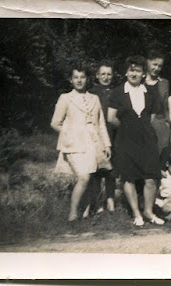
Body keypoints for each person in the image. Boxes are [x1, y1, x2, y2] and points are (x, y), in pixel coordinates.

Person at [107, 55, 164, 226]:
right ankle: (137, 214)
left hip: (147, 139)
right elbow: (111, 118)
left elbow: (151, 118)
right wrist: (126, 128)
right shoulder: (117, 92)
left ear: (143, 73)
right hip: (125, 140)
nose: (134, 73)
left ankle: (149, 211)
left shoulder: (151, 92)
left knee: (151, 177)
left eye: (138, 70)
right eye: (131, 70)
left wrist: (141, 129)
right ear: (126, 72)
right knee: (129, 177)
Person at [51, 64, 111, 222]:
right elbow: (55, 123)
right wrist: (70, 134)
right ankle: (72, 214)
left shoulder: (94, 98)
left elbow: (101, 123)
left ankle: (85, 213)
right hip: (73, 146)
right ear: (71, 80)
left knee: (90, 177)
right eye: (75, 77)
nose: (79, 80)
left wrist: (107, 144)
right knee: (84, 177)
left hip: (93, 145)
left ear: (87, 79)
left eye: (82, 77)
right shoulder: (65, 98)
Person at [85, 60, 117, 215]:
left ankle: (111, 201)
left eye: (109, 74)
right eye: (102, 74)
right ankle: (98, 204)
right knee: (97, 170)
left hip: (113, 134)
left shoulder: (116, 92)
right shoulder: (91, 93)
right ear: (97, 76)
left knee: (111, 171)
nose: (106, 77)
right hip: (97, 135)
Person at [144, 49, 170, 153]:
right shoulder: (139, 82)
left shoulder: (164, 83)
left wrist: (167, 124)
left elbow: (165, 107)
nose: (157, 68)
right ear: (147, 62)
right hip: (144, 123)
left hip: (160, 124)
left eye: (160, 66)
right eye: (154, 64)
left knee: (161, 153)